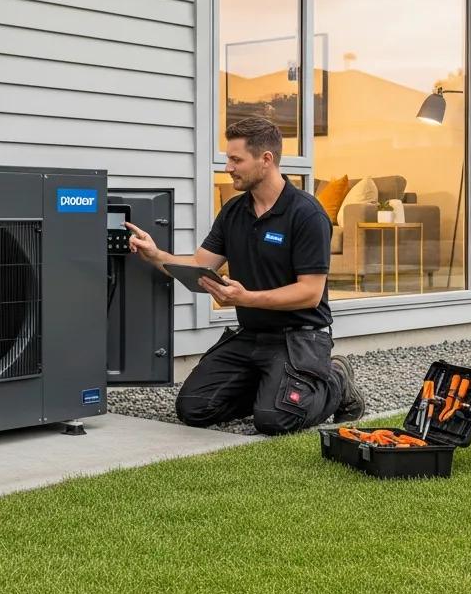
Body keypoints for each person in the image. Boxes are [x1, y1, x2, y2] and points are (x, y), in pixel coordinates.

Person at [126, 115, 365, 436]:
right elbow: (201, 263)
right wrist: (155, 254)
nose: (228, 167)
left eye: (236, 159)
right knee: (193, 408)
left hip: (299, 336)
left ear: (266, 160)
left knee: (274, 420)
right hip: (251, 335)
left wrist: (246, 298)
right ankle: (272, 386)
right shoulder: (234, 212)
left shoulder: (306, 214)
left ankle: (336, 379)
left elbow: (310, 292)